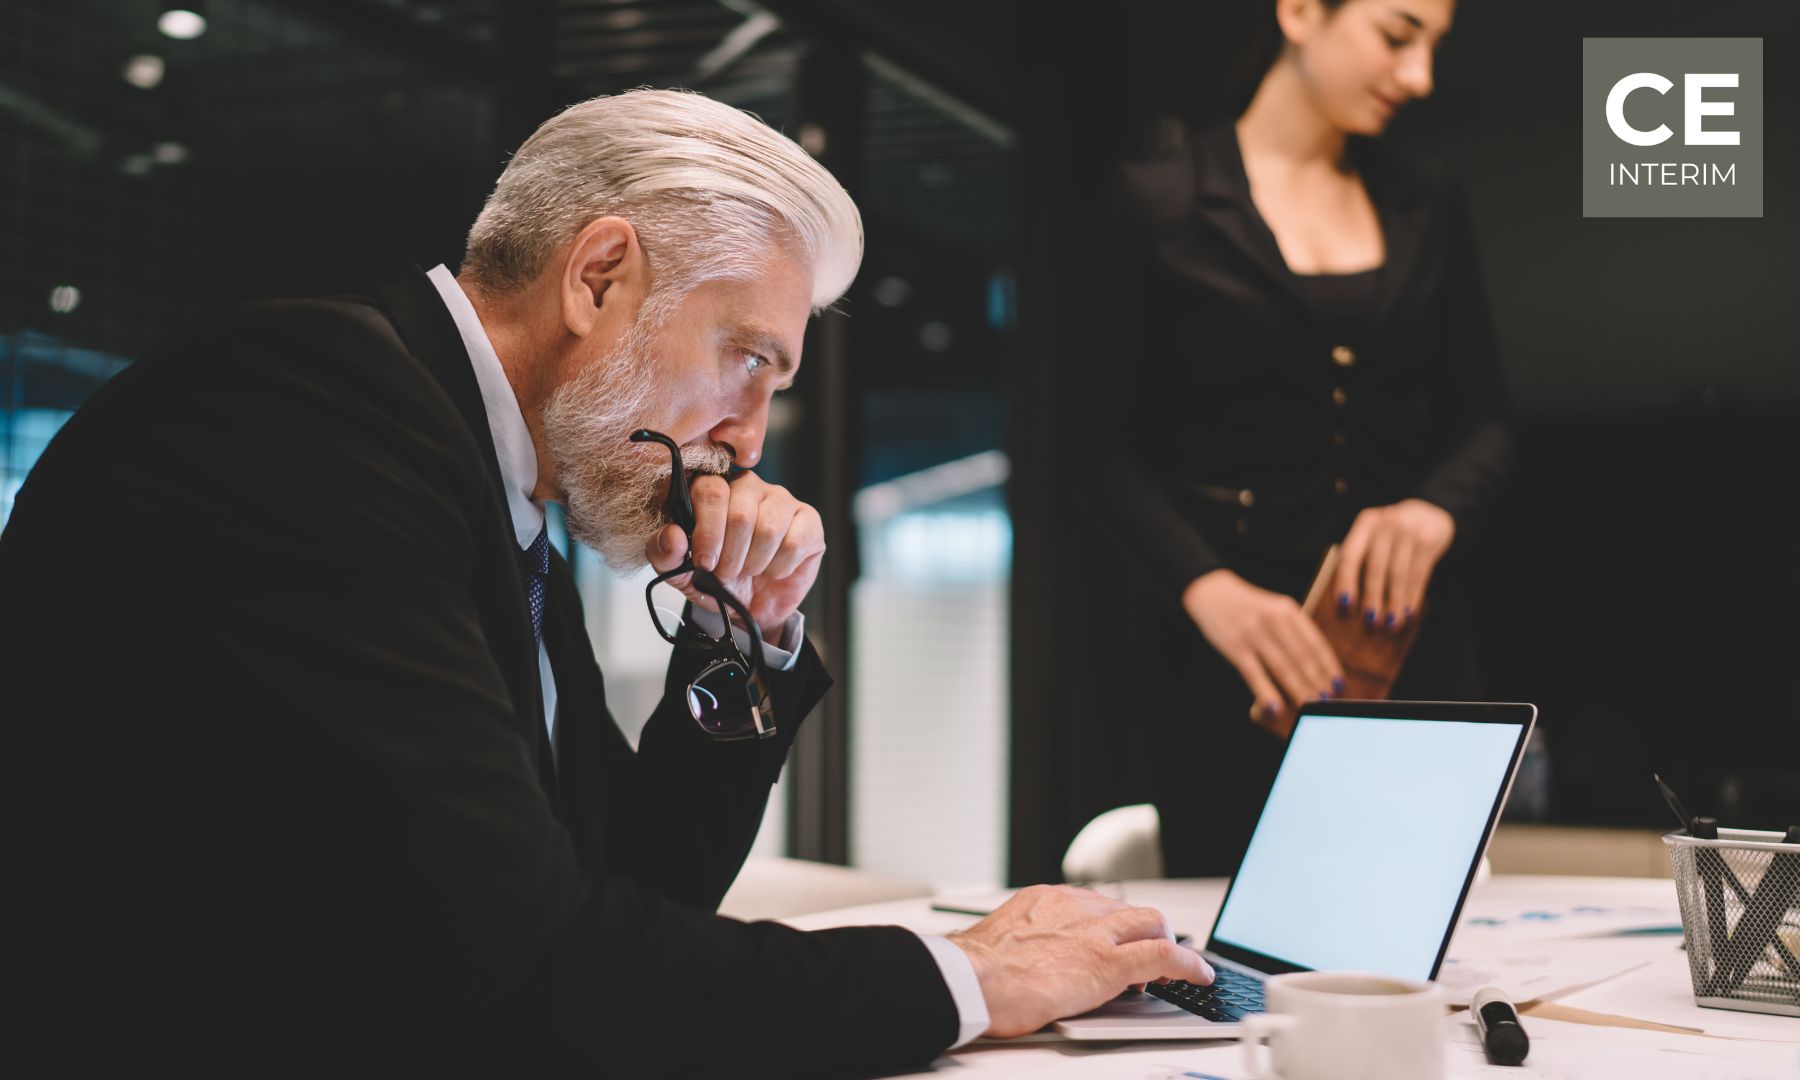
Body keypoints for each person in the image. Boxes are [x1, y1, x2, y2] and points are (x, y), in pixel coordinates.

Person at [2, 89, 1212, 1075]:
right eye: (747, 359)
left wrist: (744, 634)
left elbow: (631, 891)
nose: (749, 436)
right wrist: (969, 980)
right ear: (597, 279)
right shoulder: (314, 418)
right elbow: (532, 972)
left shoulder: (505, 480)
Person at [1087, 0, 1513, 876]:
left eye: (1434, 46)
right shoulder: (1160, 200)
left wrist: (1434, 512)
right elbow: (1097, 450)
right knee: (1239, 963)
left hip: (1407, 650)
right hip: (1233, 668)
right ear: (1299, 11)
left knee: (1422, 931)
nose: (1420, 76)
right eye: (1398, 37)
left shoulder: (1425, 198)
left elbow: (1489, 417)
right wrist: (1208, 590)